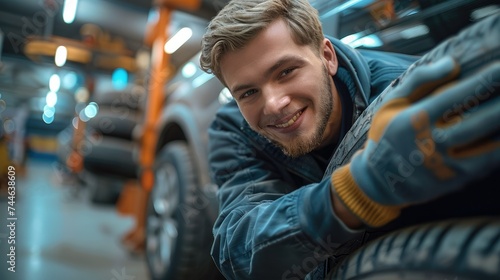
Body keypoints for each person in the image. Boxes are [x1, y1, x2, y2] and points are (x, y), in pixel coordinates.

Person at [199, 0, 500, 279]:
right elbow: (238, 251)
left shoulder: (413, 100)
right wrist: (357, 192)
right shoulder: (234, 128)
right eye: (248, 92)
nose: (274, 104)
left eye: (286, 71)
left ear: (327, 57)